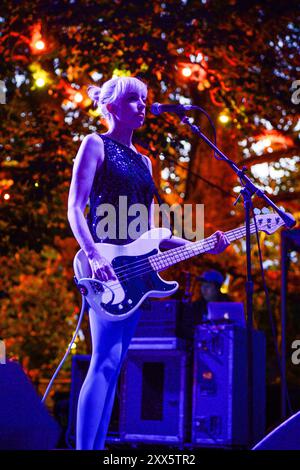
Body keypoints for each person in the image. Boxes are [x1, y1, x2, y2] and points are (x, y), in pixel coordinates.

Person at [67, 75, 230, 450]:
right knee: (103, 362)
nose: (142, 108)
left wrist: (203, 245)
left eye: (144, 101)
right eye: (134, 102)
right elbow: (76, 208)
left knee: (115, 365)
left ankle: (96, 448)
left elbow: (153, 231)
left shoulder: (145, 161)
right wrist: (92, 254)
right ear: (112, 108)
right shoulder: (94, 144)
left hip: (136, 274)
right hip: (105, 264)